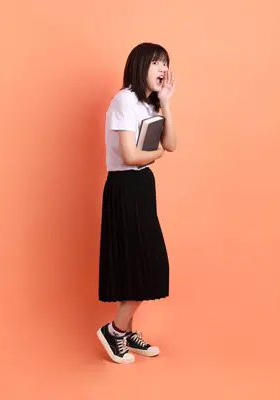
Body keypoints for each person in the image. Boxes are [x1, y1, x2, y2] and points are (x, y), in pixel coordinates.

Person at [96, 42, 177, 364]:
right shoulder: (125, 100)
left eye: (166, 63)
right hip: (125, 186)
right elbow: (131, 155)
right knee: (141, 261)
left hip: (143, 184)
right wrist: (154, 155)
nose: (163, 69)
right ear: (140, 64)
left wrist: (166, 105)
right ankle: (114, 331)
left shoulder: (149, 104)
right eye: (156, 62)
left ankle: (125, 331)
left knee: (145, 262)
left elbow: (171, 144)